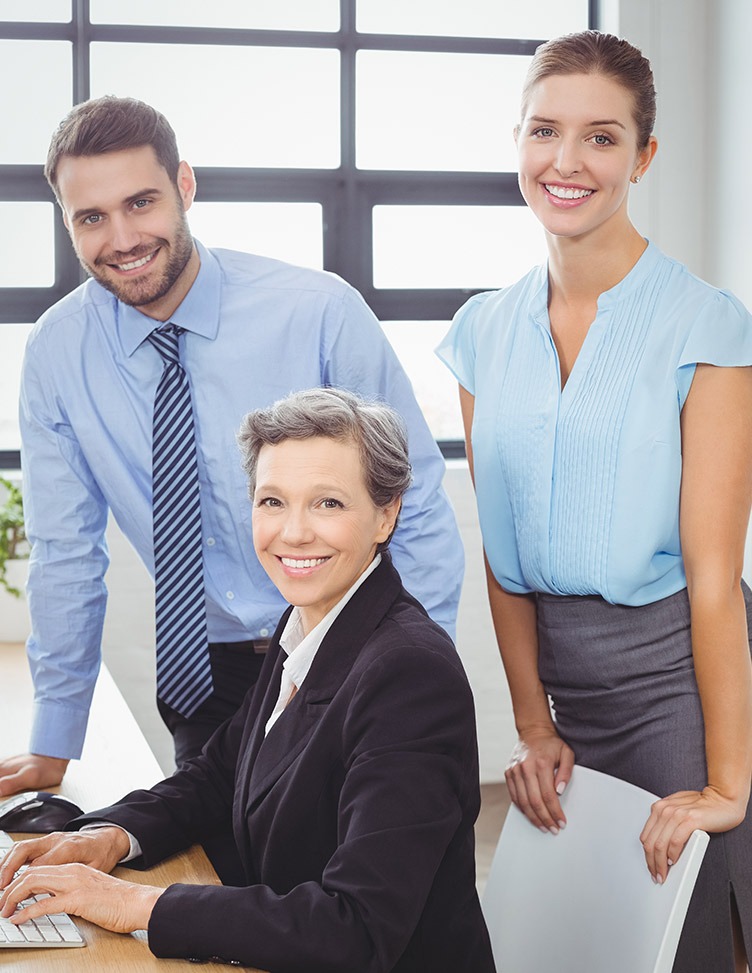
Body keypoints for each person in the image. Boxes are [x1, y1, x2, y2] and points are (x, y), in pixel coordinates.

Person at [0, 95, 463, 799]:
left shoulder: (317, 313)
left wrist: (414, 672)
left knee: (369, 876)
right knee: (219, 881)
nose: (121, 237)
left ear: (185, 186)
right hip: (203, 670)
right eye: (90, 217)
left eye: (141, 202)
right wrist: (53, 742)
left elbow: (416, 501)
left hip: (346, 642)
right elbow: (67, 551)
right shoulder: (58, 355)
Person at [437, 29, 752, 973]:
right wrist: (533, 725)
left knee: (695, 944)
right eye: (544, 131)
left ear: (643, 157)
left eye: (602, 138)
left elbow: (713, 579)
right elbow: (501, 559)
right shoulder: (481, 330)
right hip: (568, 691)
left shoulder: (706, 322)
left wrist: (728, 780)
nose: (566, 162)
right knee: (581, 947)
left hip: (683, 690)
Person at [0, 388, 494, 973]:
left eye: (329, 503)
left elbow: (357, 928)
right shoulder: (307, 623)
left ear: (386, 515)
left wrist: (136, 904)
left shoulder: (410, 676)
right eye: (273, 502)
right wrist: (110, 836)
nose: (294, 533)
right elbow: (218, 775)